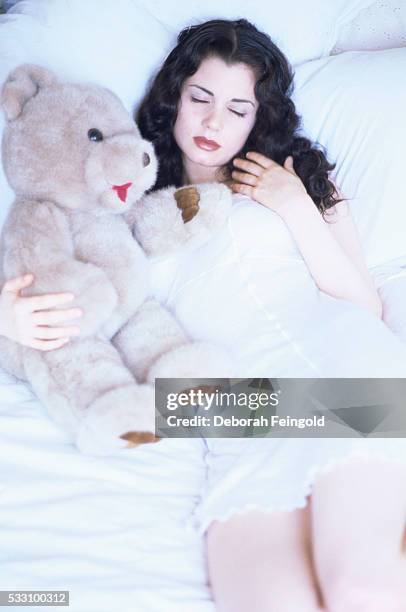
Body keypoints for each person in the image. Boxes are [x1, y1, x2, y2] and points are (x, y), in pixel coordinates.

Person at [1, 17, 406, 612]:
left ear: (257, 119)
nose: (215, 122)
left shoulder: (295, 179)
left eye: (238, 109)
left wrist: (296, 206)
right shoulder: (121, 207)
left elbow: (365, 306)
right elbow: (69, 291)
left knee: (359, 588)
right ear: (174, 98)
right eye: (201, 99)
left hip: (336, 366)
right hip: (236, 414)